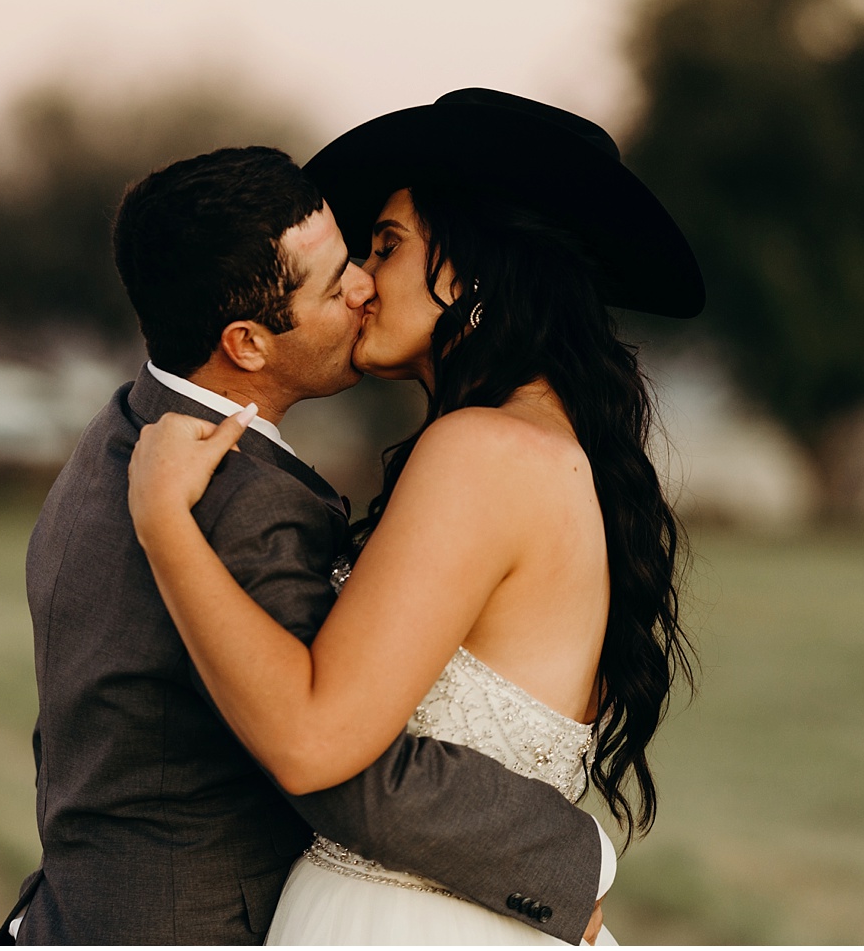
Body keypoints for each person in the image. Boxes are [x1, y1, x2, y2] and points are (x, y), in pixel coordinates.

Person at [0, 144, 614, 945]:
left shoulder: (117, 433)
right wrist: (567, 856)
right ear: (247, 343)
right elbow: (331, 759)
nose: (362, 285)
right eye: (343, 275)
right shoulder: (234, 498)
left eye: (373, 250)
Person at [125, 89, 703, 944]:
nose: (361, 279)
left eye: (387, 245)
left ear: (471, 269)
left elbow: (312, 739)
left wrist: (163, 521)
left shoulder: (481, 450)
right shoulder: (549, 442)